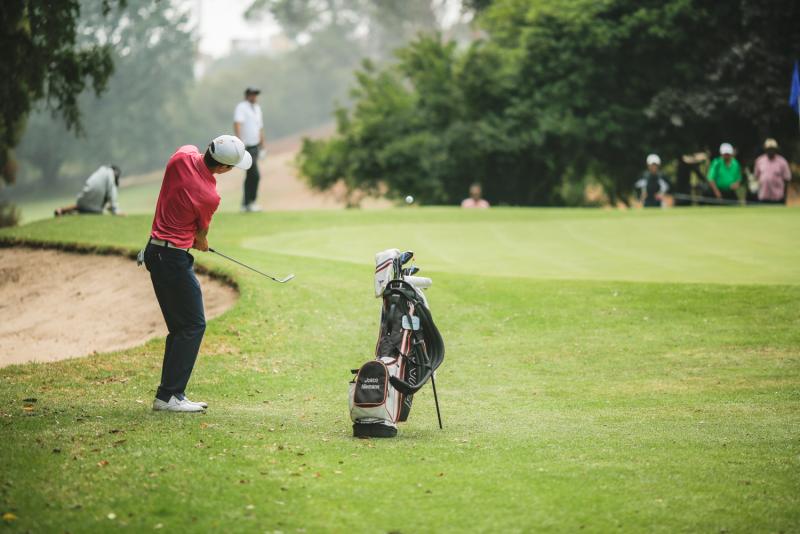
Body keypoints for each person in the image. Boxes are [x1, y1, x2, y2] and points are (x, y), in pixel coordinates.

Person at [143, 135, 252, 413]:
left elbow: (187, 151)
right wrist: (200, 240)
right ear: (224, 168)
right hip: (173, 259)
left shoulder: (181, 157)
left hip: (154, 251)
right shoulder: (209, 195)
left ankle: (169, 394)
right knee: (193, 325)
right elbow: (200, 237)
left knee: (181, 328)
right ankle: (169, 396)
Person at [233, 87, 265, 212]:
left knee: (250, 175)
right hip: (246, 146)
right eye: (252, 95)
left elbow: (260, 127)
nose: (255, 97)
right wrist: (239, 142)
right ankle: (250, 202)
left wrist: (263, 145)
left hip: (255, 146)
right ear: (247, 95)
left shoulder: (257, 108)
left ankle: (246, 204)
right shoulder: (242, 107)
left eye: (256, 95)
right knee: (255, 175)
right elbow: (237, 124)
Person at [54, 165, 123, 216]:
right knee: (92, 210)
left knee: (81, 206)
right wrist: (116, 210)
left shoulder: (102, 170)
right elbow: (112, 194)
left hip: (84, 199)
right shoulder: (111, 175)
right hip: (94, 209)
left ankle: (61, 210)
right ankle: (71, 213)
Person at [754, 138, 792, 204]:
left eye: (772, 149)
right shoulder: (759, 160)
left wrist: (784, 194)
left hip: (778, 196)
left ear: (776, 150)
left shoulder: (782, 161)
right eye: (769, 149)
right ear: (765, 150)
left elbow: (787, 178)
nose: (770, 151)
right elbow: (757, 176)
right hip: (763, 195)